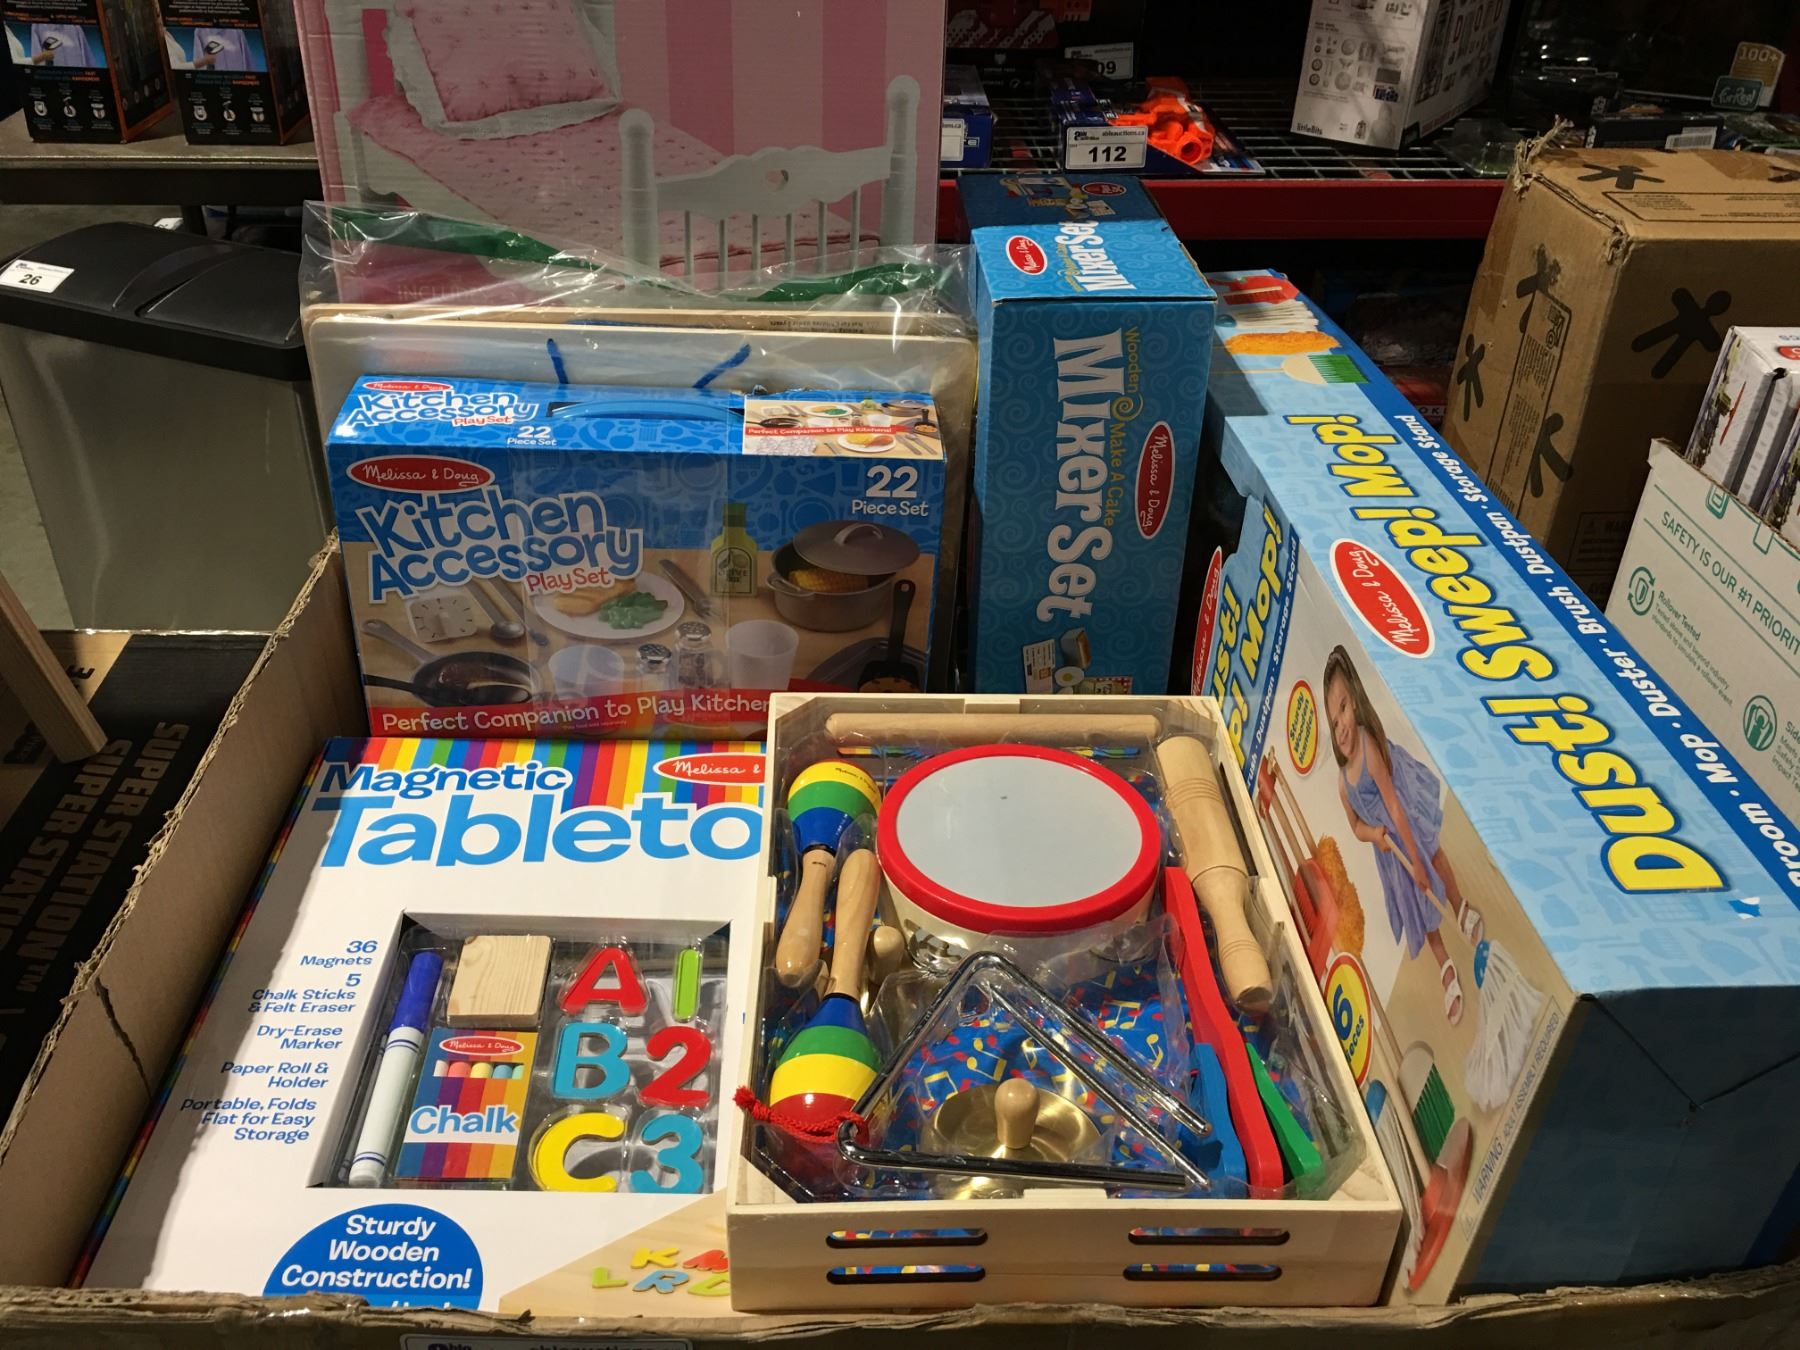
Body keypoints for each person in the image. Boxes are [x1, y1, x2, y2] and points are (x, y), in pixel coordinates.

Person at [1323, 646, 1483, 1024]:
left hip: (1403, 811)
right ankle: (1445, 966)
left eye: (1344, 708)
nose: (1341, 725)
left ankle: (1459, 906)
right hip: (1388, 843)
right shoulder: (1343, 784)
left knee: (1432, 857)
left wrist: (1417, 861)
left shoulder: (1368, 745)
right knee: (1415, 902)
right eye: (1333, 719)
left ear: (1356, 701)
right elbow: (1355, 828)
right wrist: (1373, 834)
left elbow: (1394, 805)